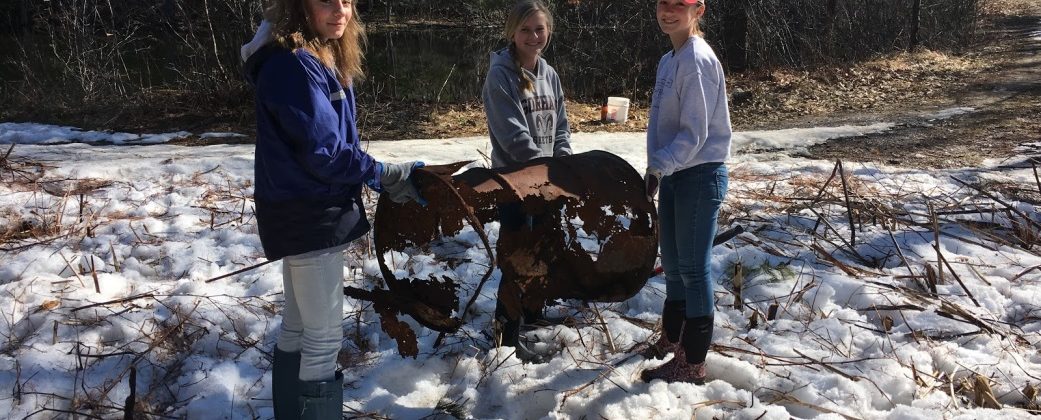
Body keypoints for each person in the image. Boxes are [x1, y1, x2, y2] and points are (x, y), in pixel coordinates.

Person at [241, 0, 423, 417]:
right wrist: (383, 173)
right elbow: (324, 152)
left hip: (303, 208)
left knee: (298, 326)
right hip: (309, 212)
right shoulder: (293, 64)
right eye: (327, 0)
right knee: (322, 340)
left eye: (347, 0)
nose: (341, 10)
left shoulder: (317, 54)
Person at [640, 0, 732, 385]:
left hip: (699, 173)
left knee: (693, 269)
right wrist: (658, 168)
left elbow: (695, 133)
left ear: (699, 10)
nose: (669, 10)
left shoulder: (696, 59)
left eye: (680, 3)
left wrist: (660, 165)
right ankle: (673, 338)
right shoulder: (669, 60)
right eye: (664, 2)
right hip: (675, 173)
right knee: (675, 265)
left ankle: (692, 362)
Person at [481, 0, 572, 358]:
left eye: (539, 29)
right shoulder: (500, 76)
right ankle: (504, 335)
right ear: (512, 33)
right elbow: (513, 137)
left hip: (547, 182)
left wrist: (563, 165)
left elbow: (561, 126)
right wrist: (546, 168)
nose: (534, 36)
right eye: (525, 30)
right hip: (514, 184)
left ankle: (533, 315)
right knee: (517, 257)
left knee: (542, 250)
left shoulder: (549, 75)